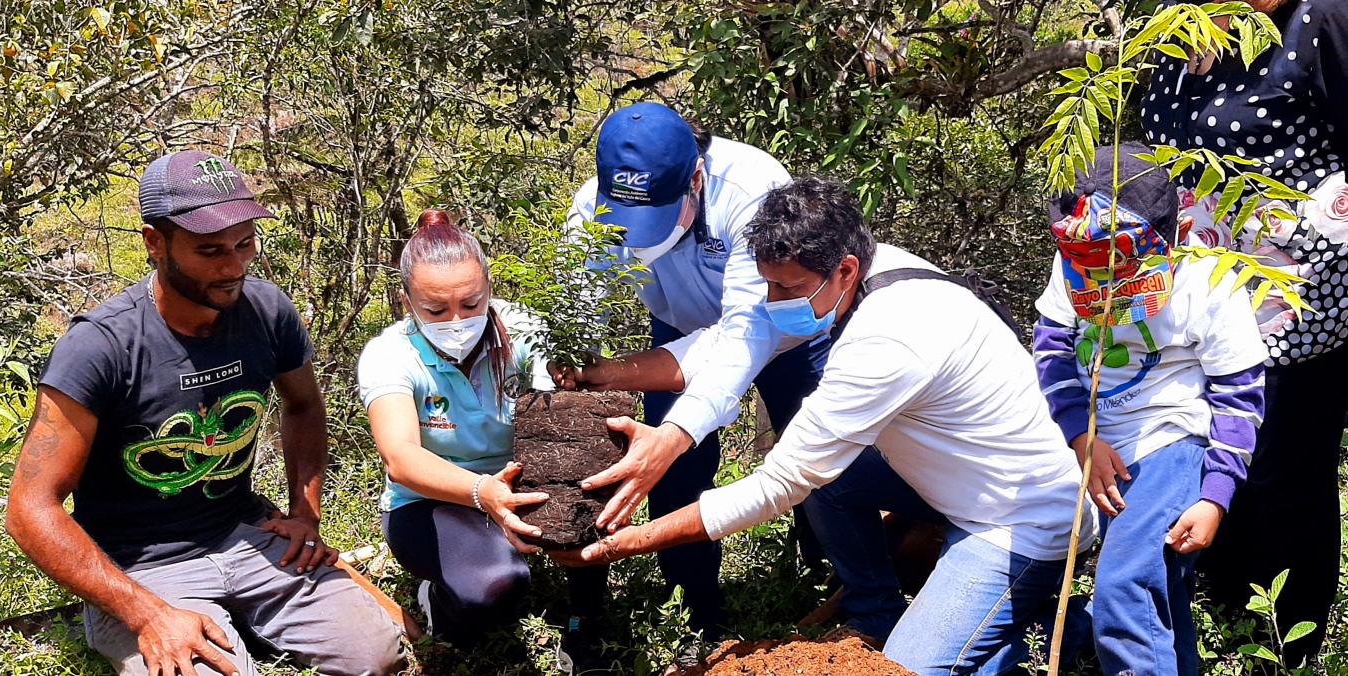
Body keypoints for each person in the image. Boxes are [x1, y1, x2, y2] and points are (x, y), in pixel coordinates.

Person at [555, 176, 1095, 674]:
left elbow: (778, 485)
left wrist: (620, 544)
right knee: (834, 478)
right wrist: (604, 371)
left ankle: (1057, 634)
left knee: (904, 669)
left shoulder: (888, 339)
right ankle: (874, 612)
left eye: (787, 290)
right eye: (768, 285)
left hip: (1019, 519)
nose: (774, 302)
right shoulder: (860, 278)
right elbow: (731, 343)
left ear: (845, 270)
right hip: (955, 484)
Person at [5, 150, 405, 676]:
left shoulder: (266, 312)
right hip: (140, 563)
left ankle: (247, 620)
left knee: (376, 657)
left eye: (244, 244)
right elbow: (29, 508)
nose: (233, 266)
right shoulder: (101, 347)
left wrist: (305, 513)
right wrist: (145, 613)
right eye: (210, 250)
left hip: (242, 531)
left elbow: (303, 404)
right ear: (155, 243)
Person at [552, 101, 937, 640]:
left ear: (696, 177)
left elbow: (744, 334)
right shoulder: (594, 208)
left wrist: (675, 432)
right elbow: (579, 307)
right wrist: (580, 373)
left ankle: (826, 575)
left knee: (815, 456)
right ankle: (696, 609)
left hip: (784, 334)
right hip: (678, 334)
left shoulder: (751, 188)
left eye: (661, 212)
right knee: (673, 475)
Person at [1140, 0, 1348, 661]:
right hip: (1197, 290)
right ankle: (1227, 623)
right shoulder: (1178, 28)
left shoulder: (1323, 20)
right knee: (1209, 454)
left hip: (1297, 299)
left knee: (1281, 471)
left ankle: (1295, 648)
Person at [1032, 145, 1268, 675]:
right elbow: (1051, 344)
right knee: (1158, 594)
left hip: (1171, 440)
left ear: (1173, 237)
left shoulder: (1208, 279)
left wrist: (1216, 495)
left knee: (1123, 591)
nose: (1106, 279)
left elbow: (1240, 394)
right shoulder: (1078, 252)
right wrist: (1081, 438)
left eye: (1122, 265)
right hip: (1095, 443)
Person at [356, 209, 607, 664]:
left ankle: (585, 619)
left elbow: (566, 409)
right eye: (435, 309)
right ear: (405, 301)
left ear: (489, 290)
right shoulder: (389, 355)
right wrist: (481, 491)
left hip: (518, 483)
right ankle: (442, 603)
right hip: (430, 500)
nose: (457, 319)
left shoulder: (523, 330)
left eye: (471, 304)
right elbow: (401, 458)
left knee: (592, 495)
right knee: (493, 587)